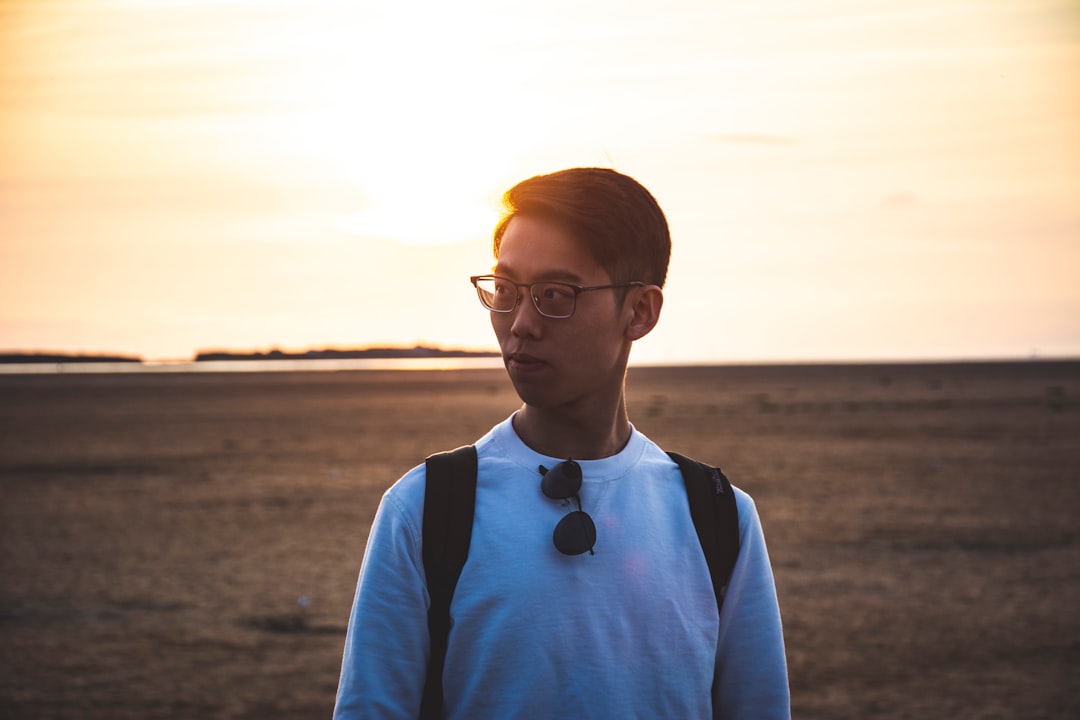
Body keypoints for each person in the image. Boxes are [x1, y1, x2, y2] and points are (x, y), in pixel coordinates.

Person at [333, 167, 790, 719]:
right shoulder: (426, 509)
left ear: (640, 311)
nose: (521, 323)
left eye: (555, 295)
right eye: (504, 291)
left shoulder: (717, 516)